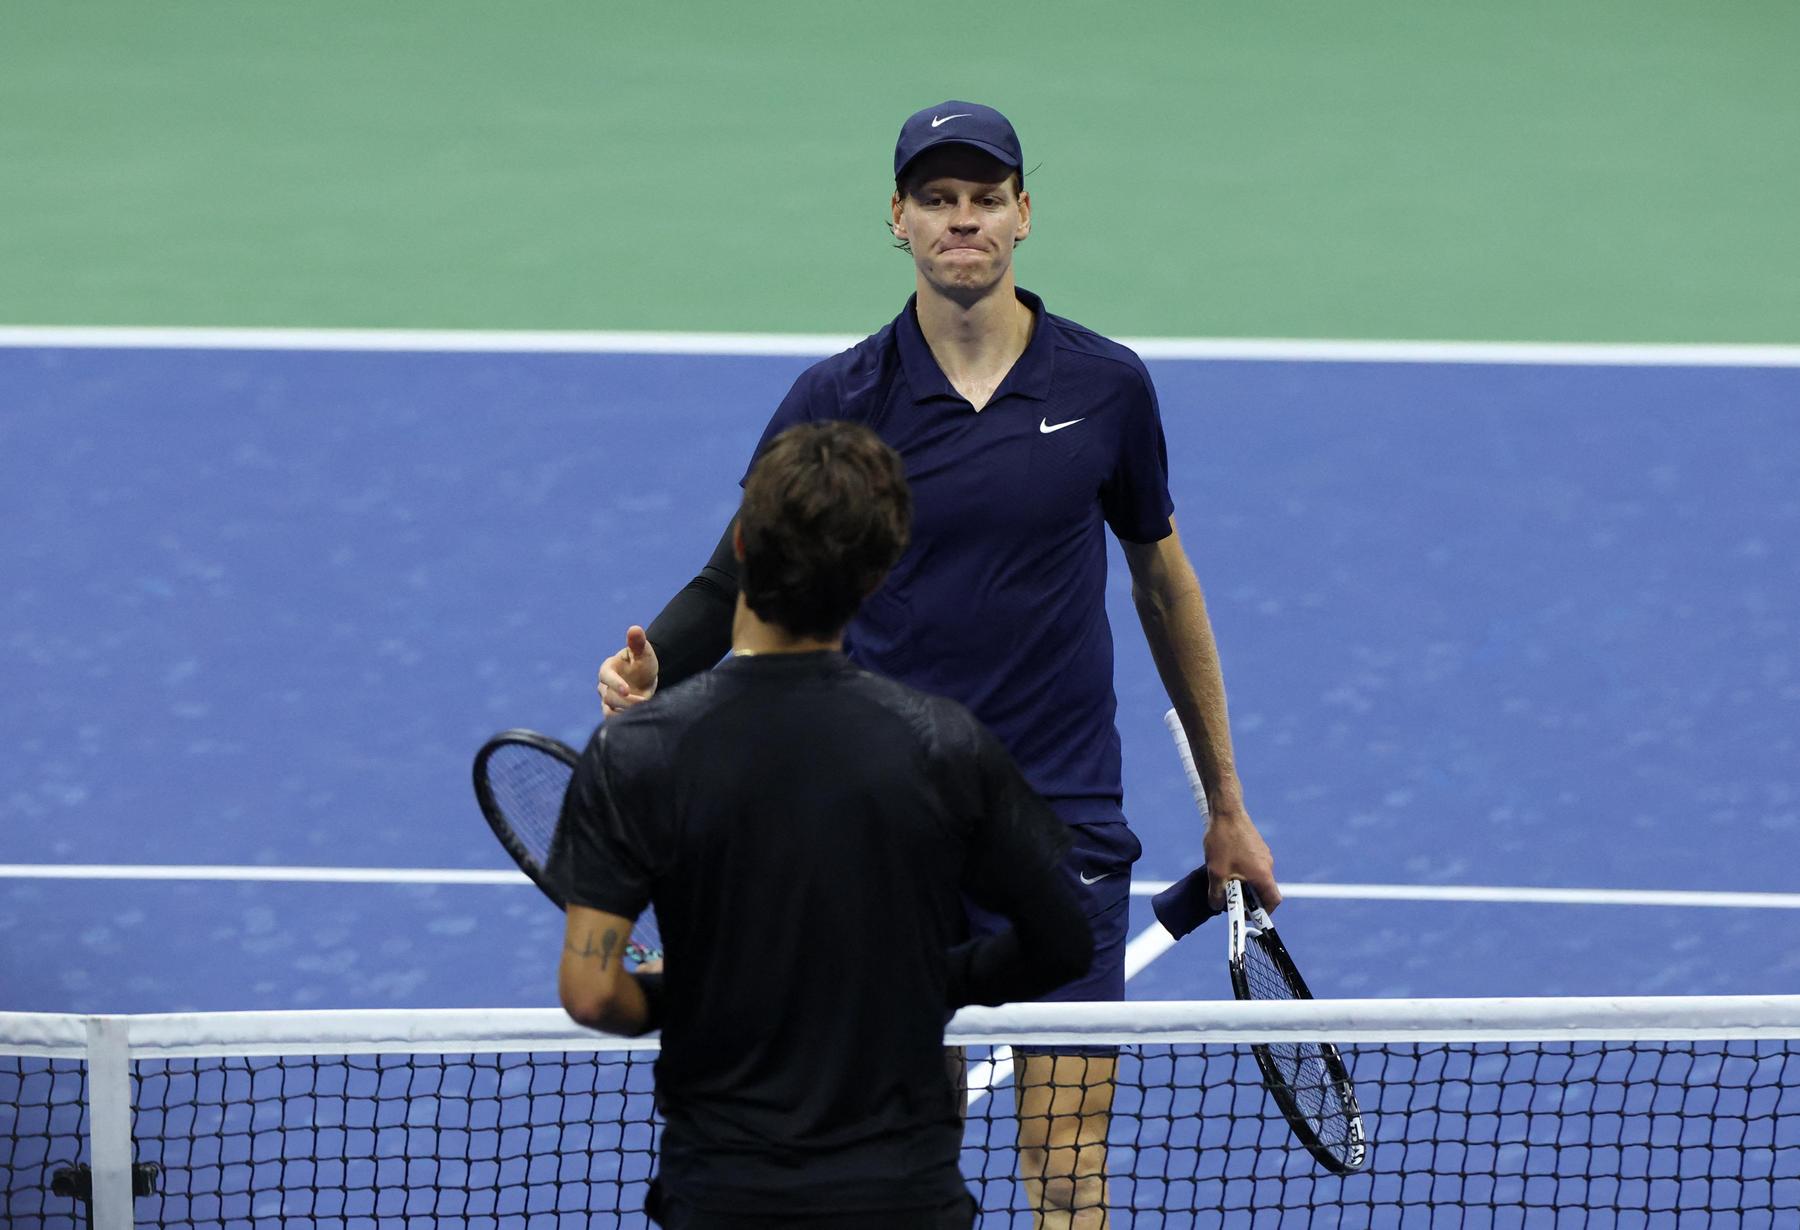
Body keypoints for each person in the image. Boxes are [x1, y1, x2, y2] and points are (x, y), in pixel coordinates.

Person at [596, 100, 1280, 1227]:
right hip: (886, 822)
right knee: (919, 1155)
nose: (962, 220)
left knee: (1068, 1167)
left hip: (1062, 818)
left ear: (1023, 215)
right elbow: (741, 577)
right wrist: (654, 665)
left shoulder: (1105, 387)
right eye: (937, 200)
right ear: (899, 221)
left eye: (984, 198)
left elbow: (1163, 580)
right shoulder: (840, 399)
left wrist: (1228, 806)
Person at [555, 420, 1094, 1229]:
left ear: (740, 546)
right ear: (879, 573)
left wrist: (683, 992)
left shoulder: (635, 755)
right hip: (904, 1197)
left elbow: (595, 994)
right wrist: (932, 980)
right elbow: (1063, 942)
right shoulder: (942, 746)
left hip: (724, 1197)